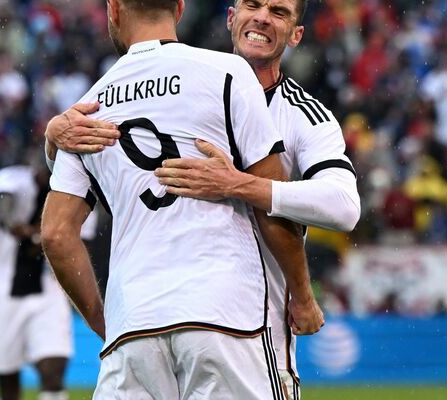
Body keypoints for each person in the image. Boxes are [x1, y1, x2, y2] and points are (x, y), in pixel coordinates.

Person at [47, 1, 360, 398]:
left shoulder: (303, 114)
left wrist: (238, 184)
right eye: (253, 5)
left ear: (297, 35)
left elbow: (344, 206)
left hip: (148, 322)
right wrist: (51, 142)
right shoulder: (220, 76)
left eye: (279, 12)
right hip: (231, 322)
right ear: (229, 17)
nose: (263, 17)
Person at [0, 153, 96, 400]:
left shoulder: (84, 194)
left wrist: (35, 236)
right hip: (3, 289)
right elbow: (7, 214)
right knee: (7, 376)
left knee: (54, 369)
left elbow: (72, 247)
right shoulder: (13, 177)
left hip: (49, 289)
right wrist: (38, 234)